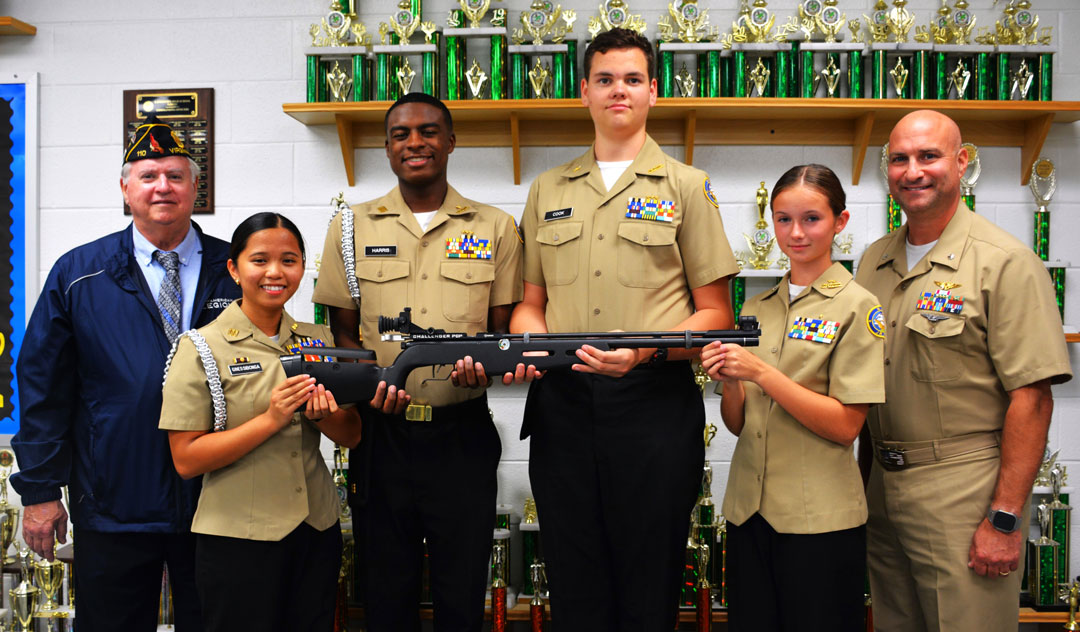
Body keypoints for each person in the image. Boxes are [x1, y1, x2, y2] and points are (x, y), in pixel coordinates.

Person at [509, 27, 739, 630]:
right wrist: (532, 339)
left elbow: (716, 312)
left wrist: (641, 352)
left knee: (648, 583)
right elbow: (529, 304)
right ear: (583, 90)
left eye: (633, 79)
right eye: (605, 79)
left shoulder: (688, 187)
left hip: (654, 410)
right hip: (562, 405)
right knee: (574, 582)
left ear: (653, 92)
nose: (619, 91)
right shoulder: (547, 189)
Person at [11, 116, 239, 631]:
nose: (163, 187)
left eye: (176, 176)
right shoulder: (79, 274)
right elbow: (43, 387)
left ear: (196, 188)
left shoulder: (236, 269)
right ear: (125, 188)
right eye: (148, 175)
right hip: (113, 504)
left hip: (219, 502)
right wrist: (40, 492)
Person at [311, 92, 523, 631]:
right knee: (385, 592)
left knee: (461, 591)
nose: (415, 142)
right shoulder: (351, 226)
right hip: (382, 438)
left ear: (451, 142)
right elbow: (342, 333)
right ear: (386, 147)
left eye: (429, 131)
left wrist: (487, 369)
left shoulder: (495, 226)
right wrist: (366, 387)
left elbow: (501, 334)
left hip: (462, 435)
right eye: (402, 134)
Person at [855, 110, 1072, 632]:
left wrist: (1003, 519)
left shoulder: (1005, 263)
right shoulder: (873, 262)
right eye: (900, 159)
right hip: (882, 488)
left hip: (964, 491)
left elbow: (1033, 398)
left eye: (929, 156)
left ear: (962, 161)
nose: (914, 171)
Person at [701, 165, 884, 632]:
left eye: (811, 219)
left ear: (839, 222)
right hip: (750, 511)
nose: (795, 232)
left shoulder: (858, 306)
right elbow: (738, 422)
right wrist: (733, 378)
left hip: (818, 520)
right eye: (783, 219)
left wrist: (761, 371)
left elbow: (846, 426)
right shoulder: (756, 306)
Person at [160, 212, 359, 632]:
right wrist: (270, 419)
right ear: (234, 268)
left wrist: (327, 417)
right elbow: (186, 459)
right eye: (259, 260)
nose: (275, 272)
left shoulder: (318, 340)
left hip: (315, 528)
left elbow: (353, 434)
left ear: (303, 267)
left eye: (289, 260)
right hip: (237, 540)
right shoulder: (199, 347)